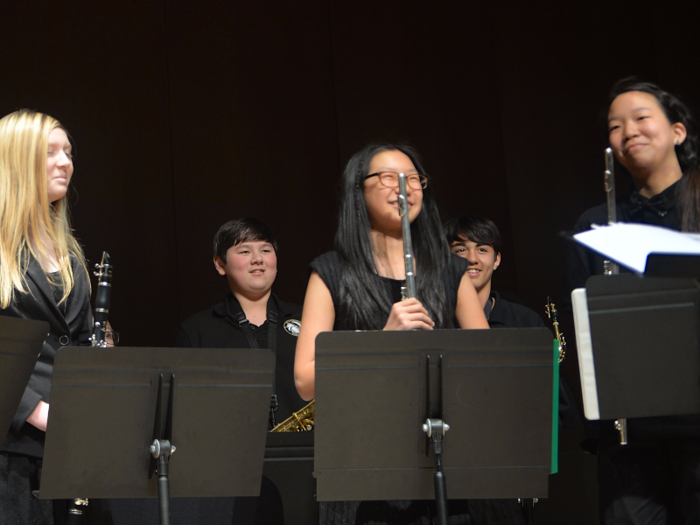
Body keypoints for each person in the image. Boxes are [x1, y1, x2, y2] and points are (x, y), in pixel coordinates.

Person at [294, 143, 489, 525]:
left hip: (444, 461)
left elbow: (487, 366)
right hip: (363, 468)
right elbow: (305, 380)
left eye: (413, 178)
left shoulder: (451, 271)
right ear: (358, 191)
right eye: (388, 177)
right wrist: (383, 343)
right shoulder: (331, 273)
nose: (404, 186)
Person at [565, 78, 700, 525]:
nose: (629, 131)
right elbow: (580, 328)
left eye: (642, 118)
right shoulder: (595, 224)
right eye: (615, 125)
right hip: (631, 430)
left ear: (677, 131)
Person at [0, 110, 92, 525]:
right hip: (11, 449)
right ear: (17, 161)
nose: (65, 162)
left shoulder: (70, 252)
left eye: (68, 152)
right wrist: (36, 409)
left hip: (68, 446)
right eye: (51, 152)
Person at [444, 214, 545, 329]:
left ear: (496, 260)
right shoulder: (434, 319)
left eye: (482, 250)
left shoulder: (526, 320)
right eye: (461, 250)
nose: (472, 259)